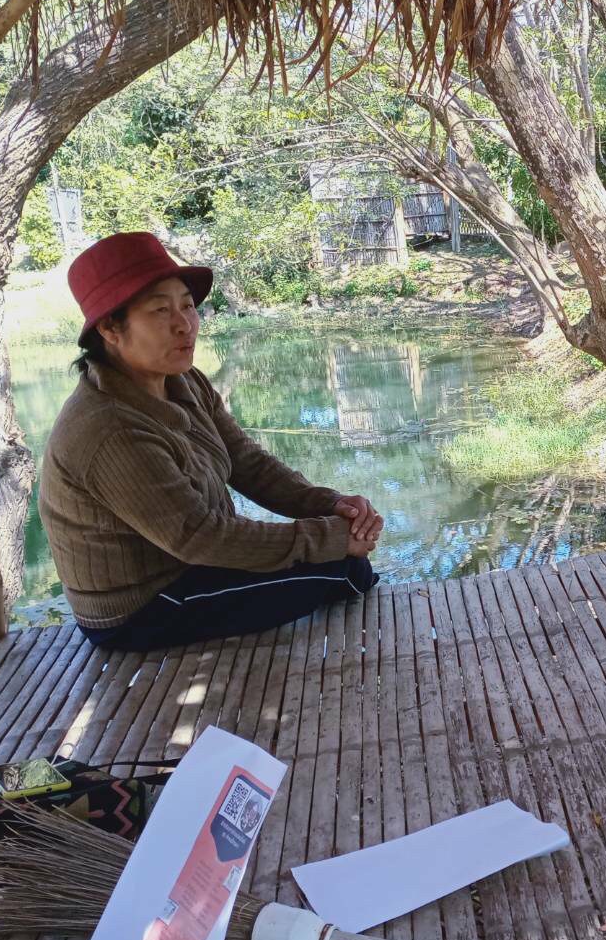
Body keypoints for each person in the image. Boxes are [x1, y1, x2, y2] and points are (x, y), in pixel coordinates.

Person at [39, 232, 384, 651]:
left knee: (340, 562)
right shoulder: (109, 429)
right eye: (160, 310)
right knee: (347, 571)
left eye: (187, 305)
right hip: (142, 606)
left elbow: (248, 463)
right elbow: (200, 536)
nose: (184, 324)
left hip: (192, 565)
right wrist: (331, 537)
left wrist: (331, 504)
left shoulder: (183, 380)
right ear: (110, 328)